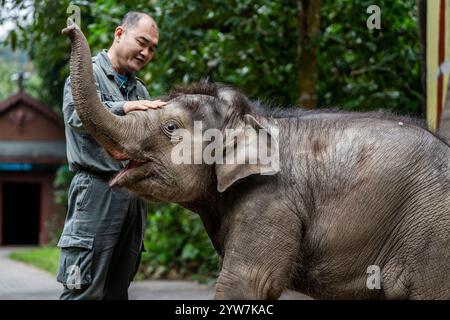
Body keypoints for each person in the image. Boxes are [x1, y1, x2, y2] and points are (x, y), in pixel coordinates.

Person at [57, 11, 166, 300]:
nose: (146, 52)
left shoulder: (139, 88)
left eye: (152, 48)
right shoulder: (86, 72)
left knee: (117, 292)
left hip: (133, 197)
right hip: (95, 191)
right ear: (120, 34)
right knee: (83, 291)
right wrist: (124, 109)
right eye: (142, 42)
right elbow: (76, 116)